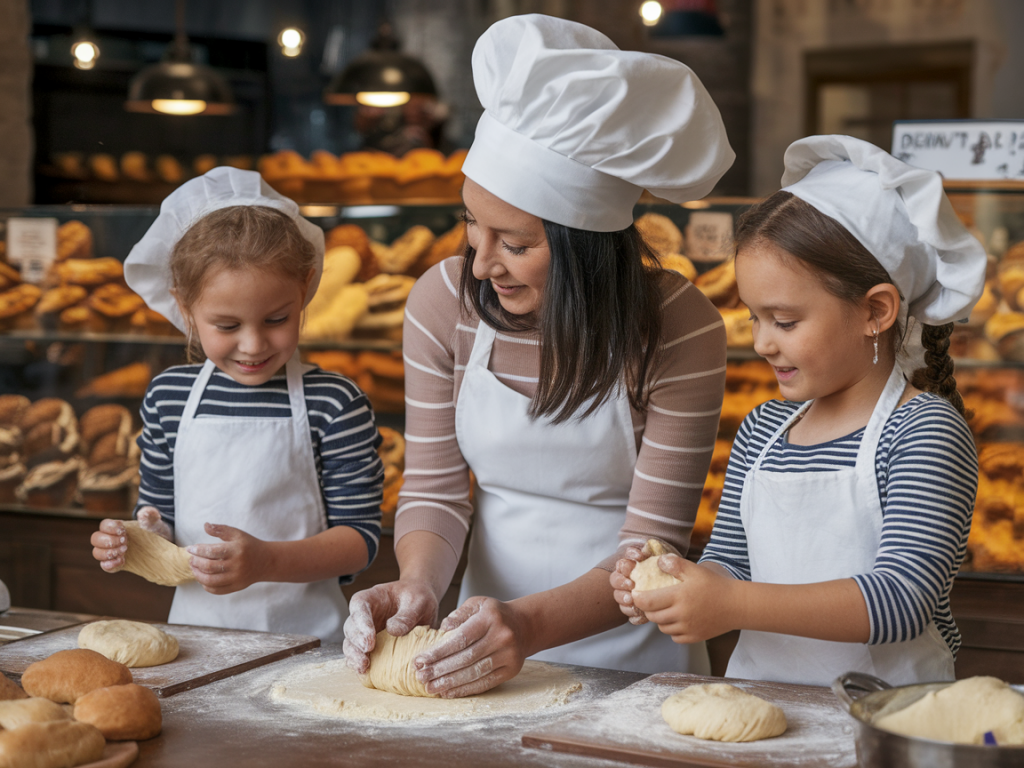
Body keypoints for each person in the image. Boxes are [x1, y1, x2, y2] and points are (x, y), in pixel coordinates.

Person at [343, 13, 735, 697]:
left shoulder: (679, 326)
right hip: (477, 651)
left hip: (637, 664)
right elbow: (435, 489)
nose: (481, 263)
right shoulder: (443, 301)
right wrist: (418, 586)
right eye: (472, 225)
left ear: (587, 246)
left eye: (516, 243)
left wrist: (527, 626)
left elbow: (652, 549)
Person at [612, 135, 986, 687]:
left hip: (888, 716)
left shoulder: (923, 431)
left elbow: (902, 599)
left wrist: (731, 604)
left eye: (784, 322)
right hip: (767, 702)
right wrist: (676, 580)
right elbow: (730, 562)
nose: (762, 342)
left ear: (875, 311)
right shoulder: (762, 429)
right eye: (753, 318)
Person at [89, 167, 383, 643]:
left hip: (308, 646)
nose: (253, 344)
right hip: (196, 641)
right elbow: (159, 517)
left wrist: (267, 562)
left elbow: (360, 541)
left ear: (305, 288)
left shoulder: (335, 403)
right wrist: (135, 540)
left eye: (277, 319)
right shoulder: (168, 398)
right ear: (185, 307)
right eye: (227, 326)